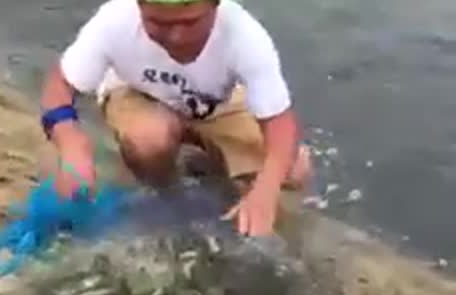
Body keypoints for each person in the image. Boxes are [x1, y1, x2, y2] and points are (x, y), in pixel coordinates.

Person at [38, 0, 312, 236]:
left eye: (190, 23)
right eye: (159, 24)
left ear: (216, 7)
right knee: (148, 141)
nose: (177, 37)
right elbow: (60, 84)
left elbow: (280, 122)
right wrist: (71, 144)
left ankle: (208, 164)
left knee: (294, 169)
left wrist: (266, 189)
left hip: (213, 103)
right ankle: (166, 191)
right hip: (137, 91)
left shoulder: (244, 34)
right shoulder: (115, 18)